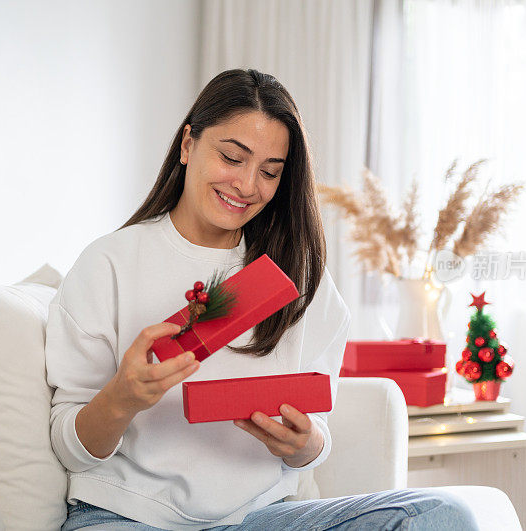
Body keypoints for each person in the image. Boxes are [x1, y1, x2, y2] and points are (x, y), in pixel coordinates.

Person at [45, 68, 480, 531]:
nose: (248, 186)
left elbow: (314, 437)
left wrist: (304, 444)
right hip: (127, 517)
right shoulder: (108, 262)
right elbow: (68, 448)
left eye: (270, 171)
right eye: (233, 157)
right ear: (187, 144)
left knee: (442, 517)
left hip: (262, 519)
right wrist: (121, 398)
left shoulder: (297, 277)